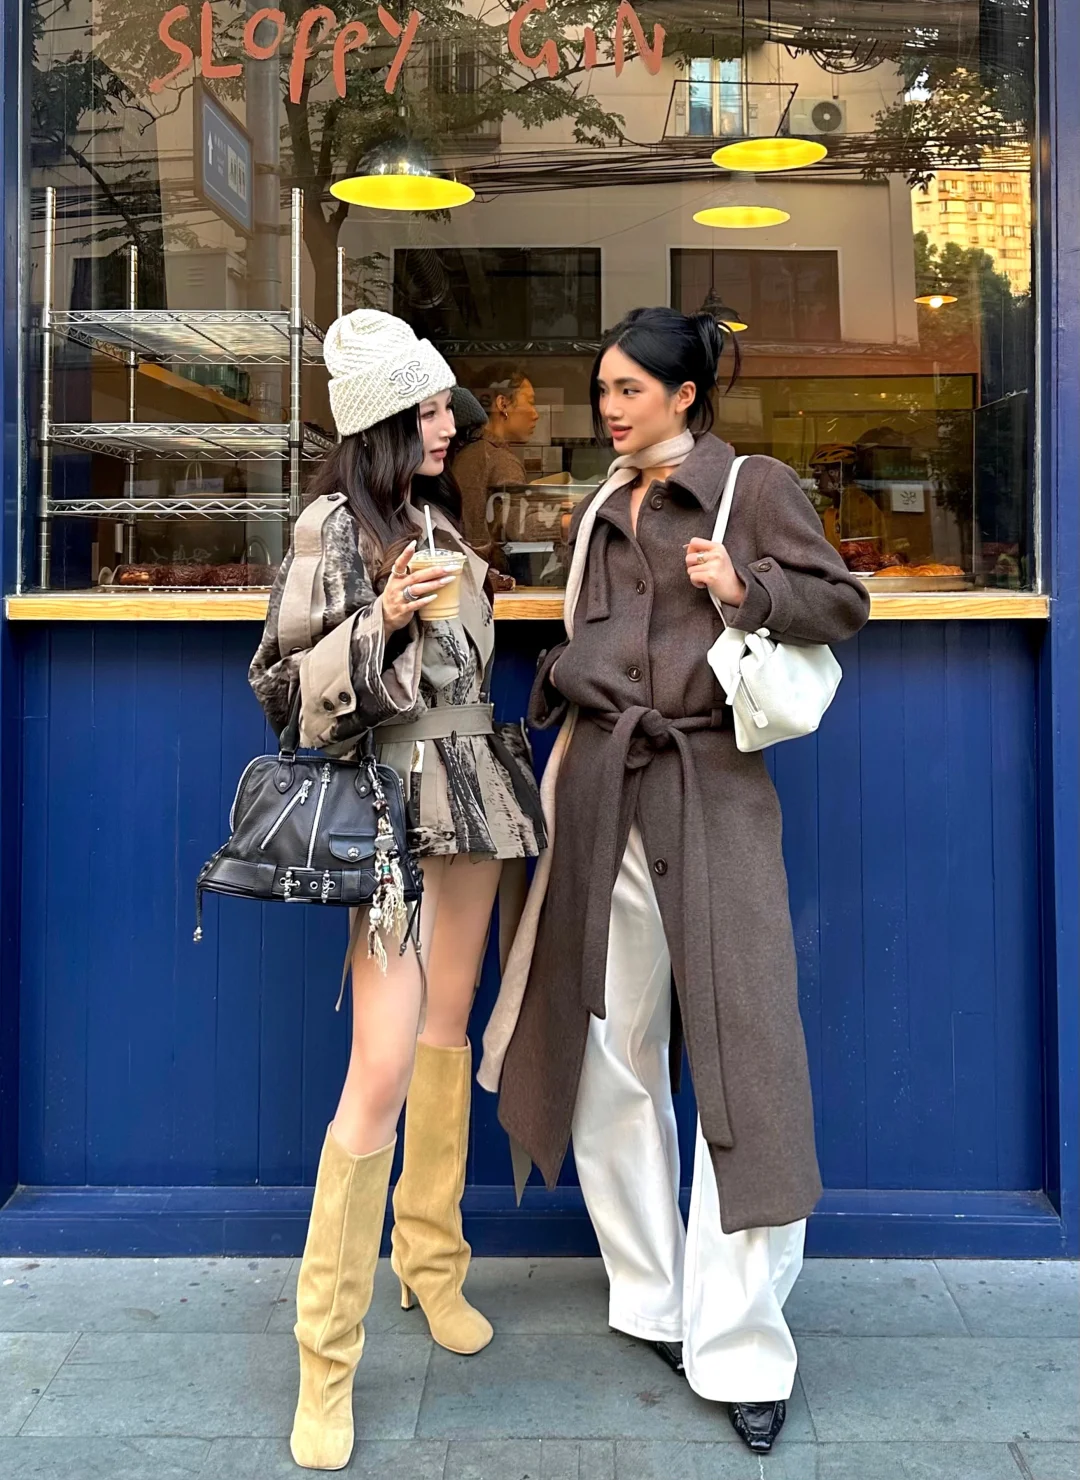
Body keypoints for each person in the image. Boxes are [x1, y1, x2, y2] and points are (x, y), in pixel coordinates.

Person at [478, 307, 870, 1455]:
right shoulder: (603, 499)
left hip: (712, 788)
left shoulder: (753, 485)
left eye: (629, 390)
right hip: (602, 782)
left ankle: (744, 1344)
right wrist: (566, 669)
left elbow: (842, 601)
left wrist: (749, 588)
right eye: (602, 388)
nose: (608, 407)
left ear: (684, 395)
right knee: (608, 1042)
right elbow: (590, 629)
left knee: (747, 1056)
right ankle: (655, 1297)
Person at [249, 309, 545, 1471]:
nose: (448, 424)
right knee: (377, 1067)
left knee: (446, 1029)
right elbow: (283, 689)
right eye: (426, 410)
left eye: (445, 407)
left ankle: (431, 1259)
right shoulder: (331, 525)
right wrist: (384, 615)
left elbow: (462, 663)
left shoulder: (434, 516)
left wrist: (468, 591)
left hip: (470, 791)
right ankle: (324, 1359)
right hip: (385, 803)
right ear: (377, 424)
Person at [452, 364, 540, 545]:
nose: (536, 414)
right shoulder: (501, 461)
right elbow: (519, 524)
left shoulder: (464, 452)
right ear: (503, 404)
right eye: (530, 402)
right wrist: (565, 522)